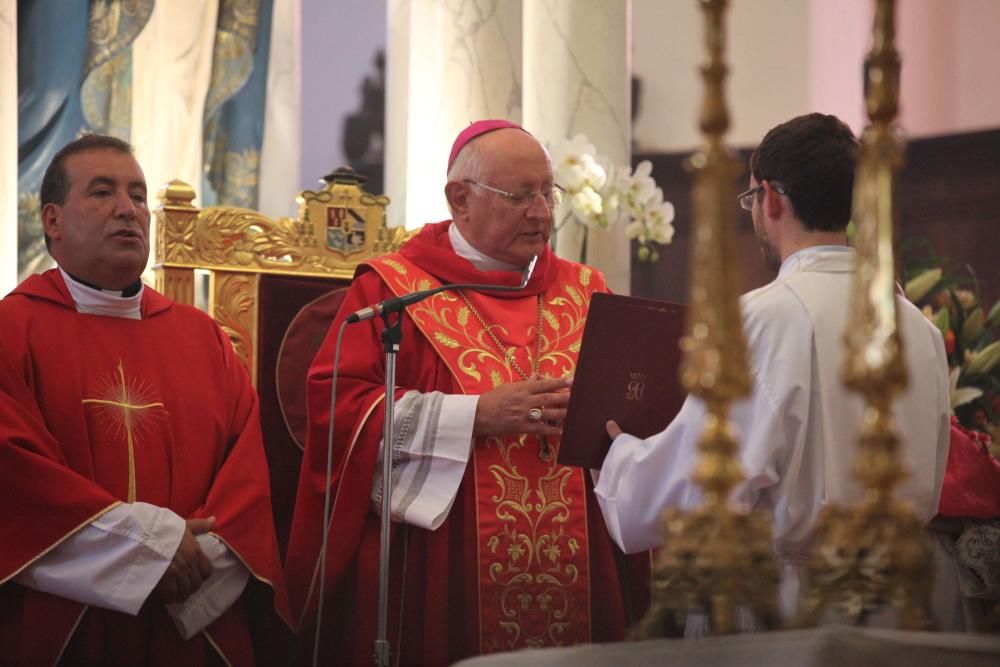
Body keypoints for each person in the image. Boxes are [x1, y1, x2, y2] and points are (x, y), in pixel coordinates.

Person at [285, 120, 649, 665]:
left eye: (548, 193)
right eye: (521, 196)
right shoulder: (393, 292)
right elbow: (341, 412)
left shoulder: (587, 291)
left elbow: (636, 407)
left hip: (578, 567)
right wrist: (474, 415)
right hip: (445, 569)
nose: (543, 213)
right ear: (460, 199)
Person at [593, 113, 957, 627]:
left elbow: (700, 487)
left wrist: (620, 457)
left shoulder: (761, 319)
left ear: (771, 198)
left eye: (750, 201)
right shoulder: (915, 325)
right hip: (900, 605)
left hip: (790, 608)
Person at [0, 134, 291, 665]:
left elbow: (245, 477)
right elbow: (14, 479)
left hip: (193, 619)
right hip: (66, 618)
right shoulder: (11, 330)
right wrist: (150, 550)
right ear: (52, 221)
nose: (127, 210)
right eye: (102, 192)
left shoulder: (202, 338)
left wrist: (196, 563)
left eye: (137, 195)